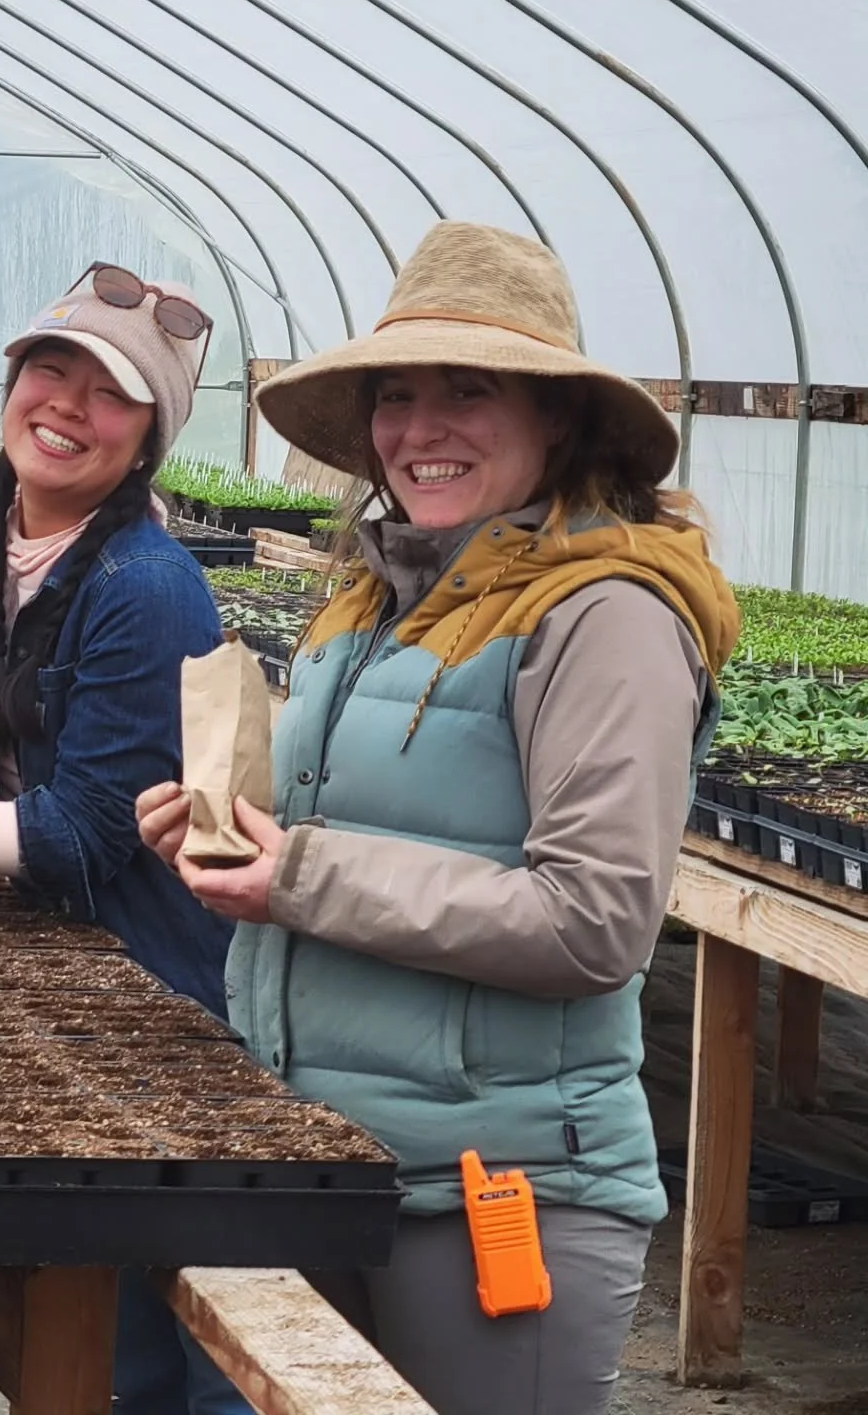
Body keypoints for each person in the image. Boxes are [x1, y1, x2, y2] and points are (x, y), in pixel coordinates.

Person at [136, 221, 741, 1415]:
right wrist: (224, 824)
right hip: (322, 1155)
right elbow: (375, 828)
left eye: (470, 391)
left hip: (494, 1186)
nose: (422, 430)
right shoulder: (373, 596)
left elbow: (595, 922)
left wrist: (299, 875)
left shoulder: (605, 616)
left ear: (557, 418)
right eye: (398, 396)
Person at [0, 262, 254, 1415]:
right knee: (74, 1307)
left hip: (151, 986)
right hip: (36, 974)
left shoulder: (147, 588)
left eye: (111, 392)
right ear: (11, 384)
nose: (69, 405)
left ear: (148, 439)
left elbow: (88, 835)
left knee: (167, 1319)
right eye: (53, 368)